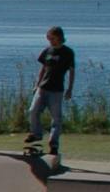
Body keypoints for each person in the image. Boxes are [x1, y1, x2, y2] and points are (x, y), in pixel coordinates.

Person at [25, 26, 75, 160]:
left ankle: (54, 145)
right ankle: (36, 133)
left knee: (56, 119)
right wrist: (37, 84)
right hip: (43, 87)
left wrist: (70, 89)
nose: (50, 41)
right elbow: (43, 68)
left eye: (52, 38)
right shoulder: (47, 51)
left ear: (59, 37)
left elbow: (71, 71)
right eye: (48, 39)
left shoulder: (68, 52)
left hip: (57, 90)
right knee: (33, 110)